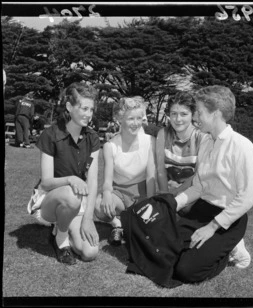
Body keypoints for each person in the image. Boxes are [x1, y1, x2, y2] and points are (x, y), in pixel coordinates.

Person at [174, 85, 253, 283]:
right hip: (202, 210)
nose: (195, 117)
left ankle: (231, 250)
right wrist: (173, 203)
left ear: (216, 114)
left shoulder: (242, 147)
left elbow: (247, 198)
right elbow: (198, 186)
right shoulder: (206, 142)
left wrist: (212, 227)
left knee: (186, 271)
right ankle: (210, 248)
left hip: (228, 219)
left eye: (199, 112)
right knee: (165, 251)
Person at [27, 82, 100, 265]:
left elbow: (91, 180)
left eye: (91, 109)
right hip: (50, 200)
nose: (88, 114)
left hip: (76, 201)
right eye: (84, 108)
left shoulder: (92, 138)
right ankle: (60, 238)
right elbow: (46, 182)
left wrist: (88, 218)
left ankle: (63, 227)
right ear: (69, 106)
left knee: (90, 252)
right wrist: (71, 179)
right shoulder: (51, 134)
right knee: (71, 193)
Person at [94, 96, 156, 245]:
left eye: (139, 118)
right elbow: (108, 180)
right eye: (130, 119)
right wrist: (107, 194)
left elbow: (151, 177)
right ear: (119, 119)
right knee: (99, 206)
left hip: (143, 193)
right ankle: (117, 224)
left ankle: (131, 222)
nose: (136, 123)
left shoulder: (150, 142)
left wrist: (151, 203)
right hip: (120, 193)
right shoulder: (110, 146)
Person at [156, 91, 202, 202]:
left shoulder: (201, 137)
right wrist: (165, 194)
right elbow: (160, 170)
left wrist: (177, 193)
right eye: (173, 113)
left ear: (193, 115)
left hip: (193, 194)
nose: (178, 119)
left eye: (184, 114)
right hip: (168, 190)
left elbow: (199, 175)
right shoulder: (163, 134)